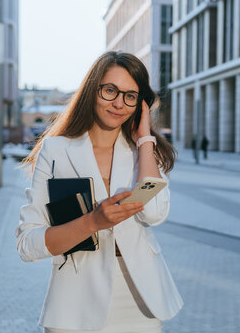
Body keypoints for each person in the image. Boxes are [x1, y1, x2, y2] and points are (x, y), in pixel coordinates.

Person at [17, 51, 183, 333]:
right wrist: (93, 222)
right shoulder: (56, 151)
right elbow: (27, 245)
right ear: (92, 90)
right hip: (75, 304)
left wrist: (145, 140)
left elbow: (154, 214)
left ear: (140, 103)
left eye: (130, 95)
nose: (119, 103)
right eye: (110, 90)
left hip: (138, 300)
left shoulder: (142, 152)